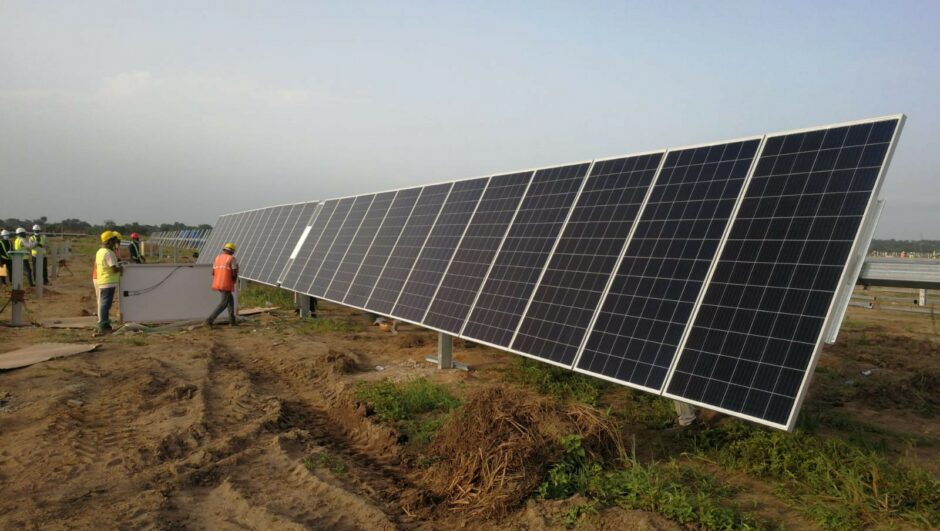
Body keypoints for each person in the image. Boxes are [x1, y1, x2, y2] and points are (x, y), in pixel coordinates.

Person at [94, 231, 123, 335]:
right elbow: (114, 269)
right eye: (114, 241)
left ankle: (103, 324)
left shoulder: (100, 251)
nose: (115, 243)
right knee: (106, 304)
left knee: (104, 303)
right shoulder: (108, 253)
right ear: (109, 241)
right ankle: (104, 326)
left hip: (103, 281)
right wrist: (122, 269)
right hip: (108, 281)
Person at [206, 242, 239, 327]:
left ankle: (232, 321)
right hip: (226, 284)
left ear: (224, 250)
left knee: (230, 301)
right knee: (224, 304)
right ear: (232, 251)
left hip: (217, 283)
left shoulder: (217, 258)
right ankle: (209, 320)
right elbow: (234, 273)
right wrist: (234, 280)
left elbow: (213, 272)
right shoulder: (232, 259)